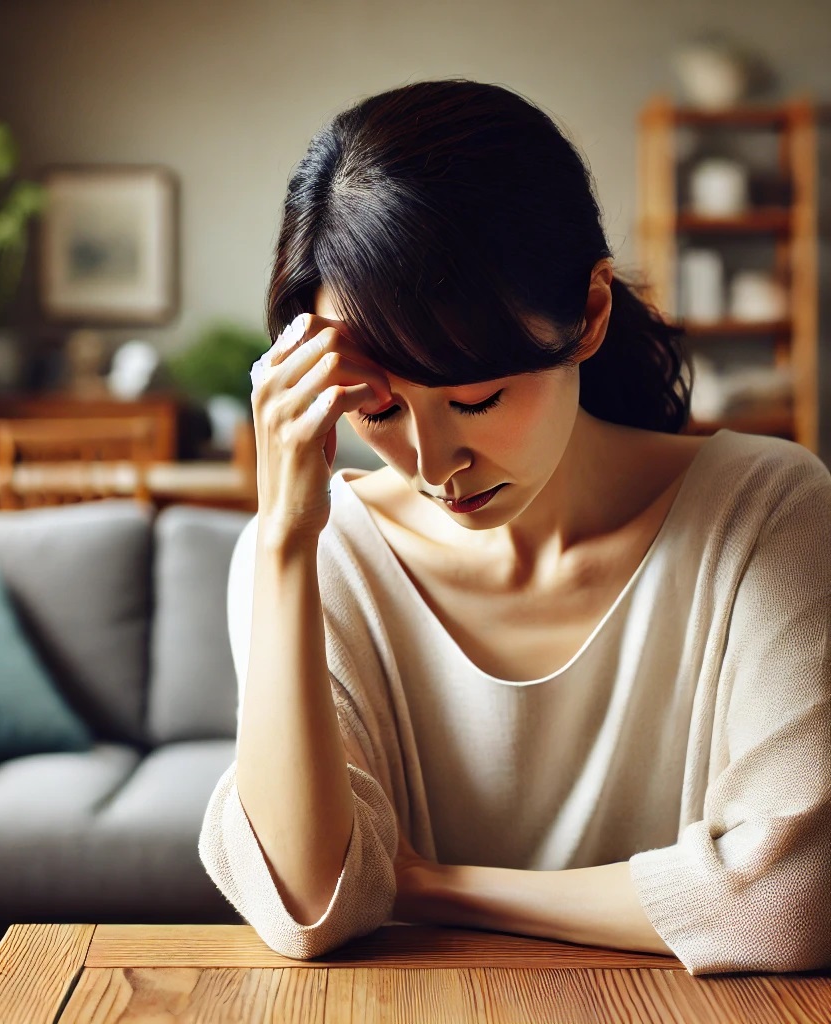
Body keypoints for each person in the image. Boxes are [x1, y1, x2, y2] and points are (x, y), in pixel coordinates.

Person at [197, 79, 831, 975]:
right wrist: (283, 543)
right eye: (375, 410)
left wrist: (425, 885)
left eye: (478, 400)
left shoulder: (768, 513)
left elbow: (792, 901)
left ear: (592, 314)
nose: (429, 462)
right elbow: (307, 907)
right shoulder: (313, 554)